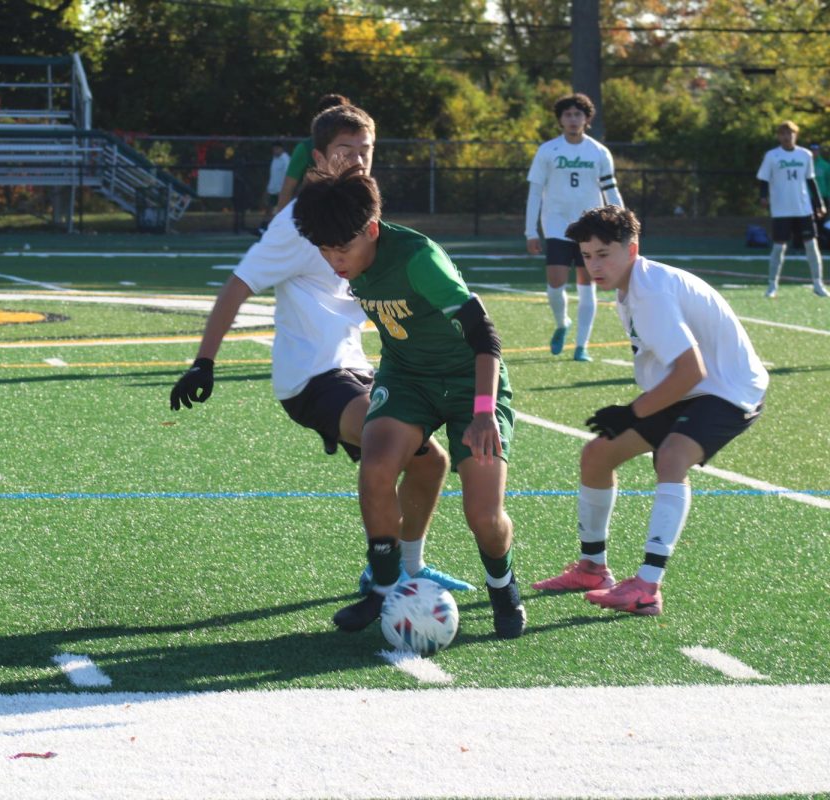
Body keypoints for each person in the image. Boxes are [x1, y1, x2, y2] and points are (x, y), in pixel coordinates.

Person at [170, 104, 473, 596]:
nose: (356, 160)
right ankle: (384, 577)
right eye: (343, 150)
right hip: (311, 377)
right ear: (318, 156)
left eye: (364, 151)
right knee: (385, 438)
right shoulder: (298, 222)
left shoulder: (360, 210)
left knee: (430, 462)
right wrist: (204, 362)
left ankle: (408, 568)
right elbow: (237, 285)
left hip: (355, 365)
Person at [293, 161, 525, 639]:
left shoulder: (419, 257)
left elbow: (485, 336)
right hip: (408, 377)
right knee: (376, 466)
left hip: (468, 381)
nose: (336, 260)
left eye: (344, 248)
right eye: (325, 249)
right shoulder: (352, 249)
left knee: (483, 516)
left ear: (373, 230)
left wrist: (483, 414)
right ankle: (381, 587)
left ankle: (503, 586)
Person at [533, 206, 768, 616]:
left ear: (632, 249)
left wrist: (632, 411)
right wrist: (635, 412)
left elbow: (692, 369)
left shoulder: (651, 292)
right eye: (587, 256)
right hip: (690, 388)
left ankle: (647, 586)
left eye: (604, 253)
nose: (594, 265)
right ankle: (592, 567)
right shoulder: (634, 286)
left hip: (728, 388)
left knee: (671, 456)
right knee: (597, 455)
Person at [525, 93, 623, 362]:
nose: (572, 119)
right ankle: (562, 324)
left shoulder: (599, 152)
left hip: (590, 228)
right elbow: (535, 193)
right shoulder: (547, 151)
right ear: (560, 119)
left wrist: (622, 223)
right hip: (556, 225)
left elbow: (610, 190)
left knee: (586, 283)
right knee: (555, 283)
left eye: (577, 114)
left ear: (587, 119)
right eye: (567, 114)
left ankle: (582, 346)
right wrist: (531, 231)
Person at [756, 121, 826, 298]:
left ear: (796, 135)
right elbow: (764, 179)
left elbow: (811, 180)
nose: (787, 137)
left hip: (803, 208)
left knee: (811, 245)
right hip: (781, 209)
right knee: (779, 247)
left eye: (790, 133)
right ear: (779, 136)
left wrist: (819, 204)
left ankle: (818, 284)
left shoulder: (805, 155)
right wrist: (763, 196)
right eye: (783, 134)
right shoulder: (772, 156)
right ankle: (772, 285)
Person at [272, 94, 350, 216]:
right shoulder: (305, 148)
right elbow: (287, 189)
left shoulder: (354, 147)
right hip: (312, 217)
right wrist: (278, 223)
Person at [260, 141, 290, 230]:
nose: (275, 151)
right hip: (272, 190)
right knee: (268, 210)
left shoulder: (286, 160)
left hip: (280, 191)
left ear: (281, 149)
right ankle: (263, 228)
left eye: (277, 149)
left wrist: (284, 190)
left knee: (279, 211)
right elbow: (273, 176)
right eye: (273, 149)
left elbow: (288, 176)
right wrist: (267, 190)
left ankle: (277, 229)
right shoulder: (274, 159)